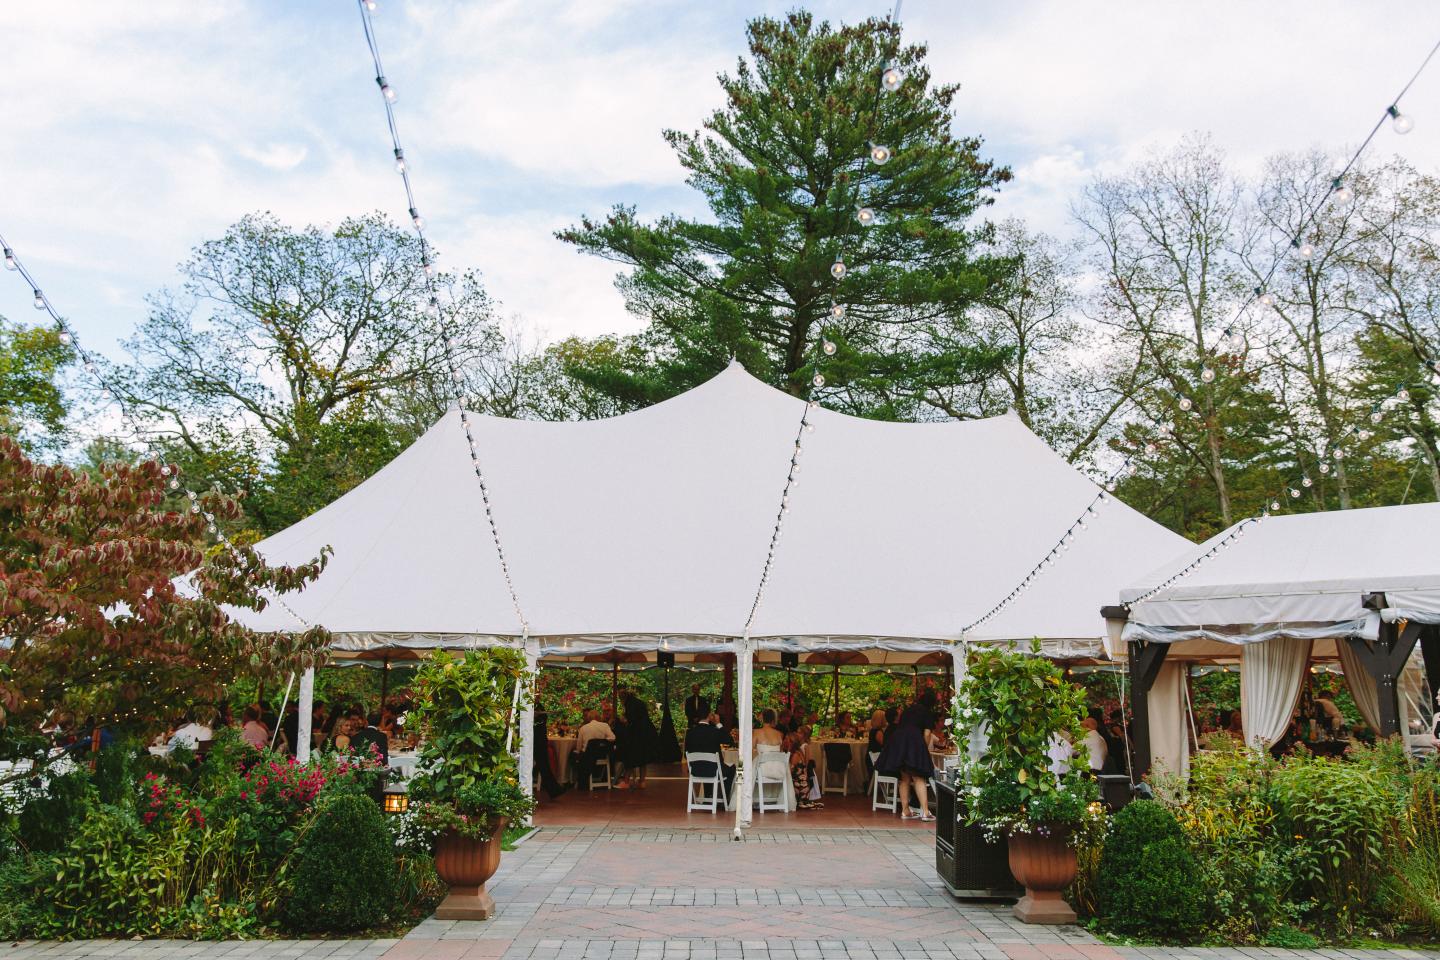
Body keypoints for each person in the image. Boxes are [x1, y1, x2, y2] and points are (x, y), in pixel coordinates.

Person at [876, 692, 937, 822]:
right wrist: (923, 749)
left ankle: (905, 810)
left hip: (898, 741)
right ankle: (925, 812)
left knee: (904, 777)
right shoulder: (927, 713)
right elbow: (927, 734)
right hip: (913, 741)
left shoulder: (909, 710)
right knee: (918, 776)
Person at [684, 710, 736, 796]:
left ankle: (708, 797)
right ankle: (725, 799)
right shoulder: (714, 731)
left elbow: (686, 754)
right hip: (714, 770)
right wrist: (718, 723)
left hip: (695, 770)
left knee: (707, 765)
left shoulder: (690, 733)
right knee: (733, 768)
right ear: (709, 717)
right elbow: (729, 741)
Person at [619, 689, 658, 789]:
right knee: (642, 759)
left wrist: (624, 721)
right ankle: (642, 781)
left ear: (623, 697)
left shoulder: (629, 704)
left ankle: (626, 781)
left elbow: (631, 721)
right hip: (646, 733)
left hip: (636, 734)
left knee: (630, 758)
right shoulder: (640, 703)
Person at [788, 734, 823, 811]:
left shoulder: (795, 755)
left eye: (788, 742)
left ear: (792, 743)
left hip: (800, 784)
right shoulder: (799, 752)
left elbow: (790, 771)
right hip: (804, 783)